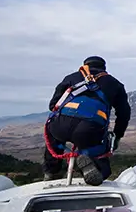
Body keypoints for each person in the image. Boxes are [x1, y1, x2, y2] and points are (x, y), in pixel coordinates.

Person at [43, 56, 131, 185]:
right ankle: (94, 165)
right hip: (89, 129)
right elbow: (124, 114)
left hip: (59, 126)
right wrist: (117, 136)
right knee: (100, 158)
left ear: (85, 66)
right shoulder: (115, 84)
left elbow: (53, 105)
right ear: (104, 68)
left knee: (55, 137)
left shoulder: (71, 78)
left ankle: (51, 172)